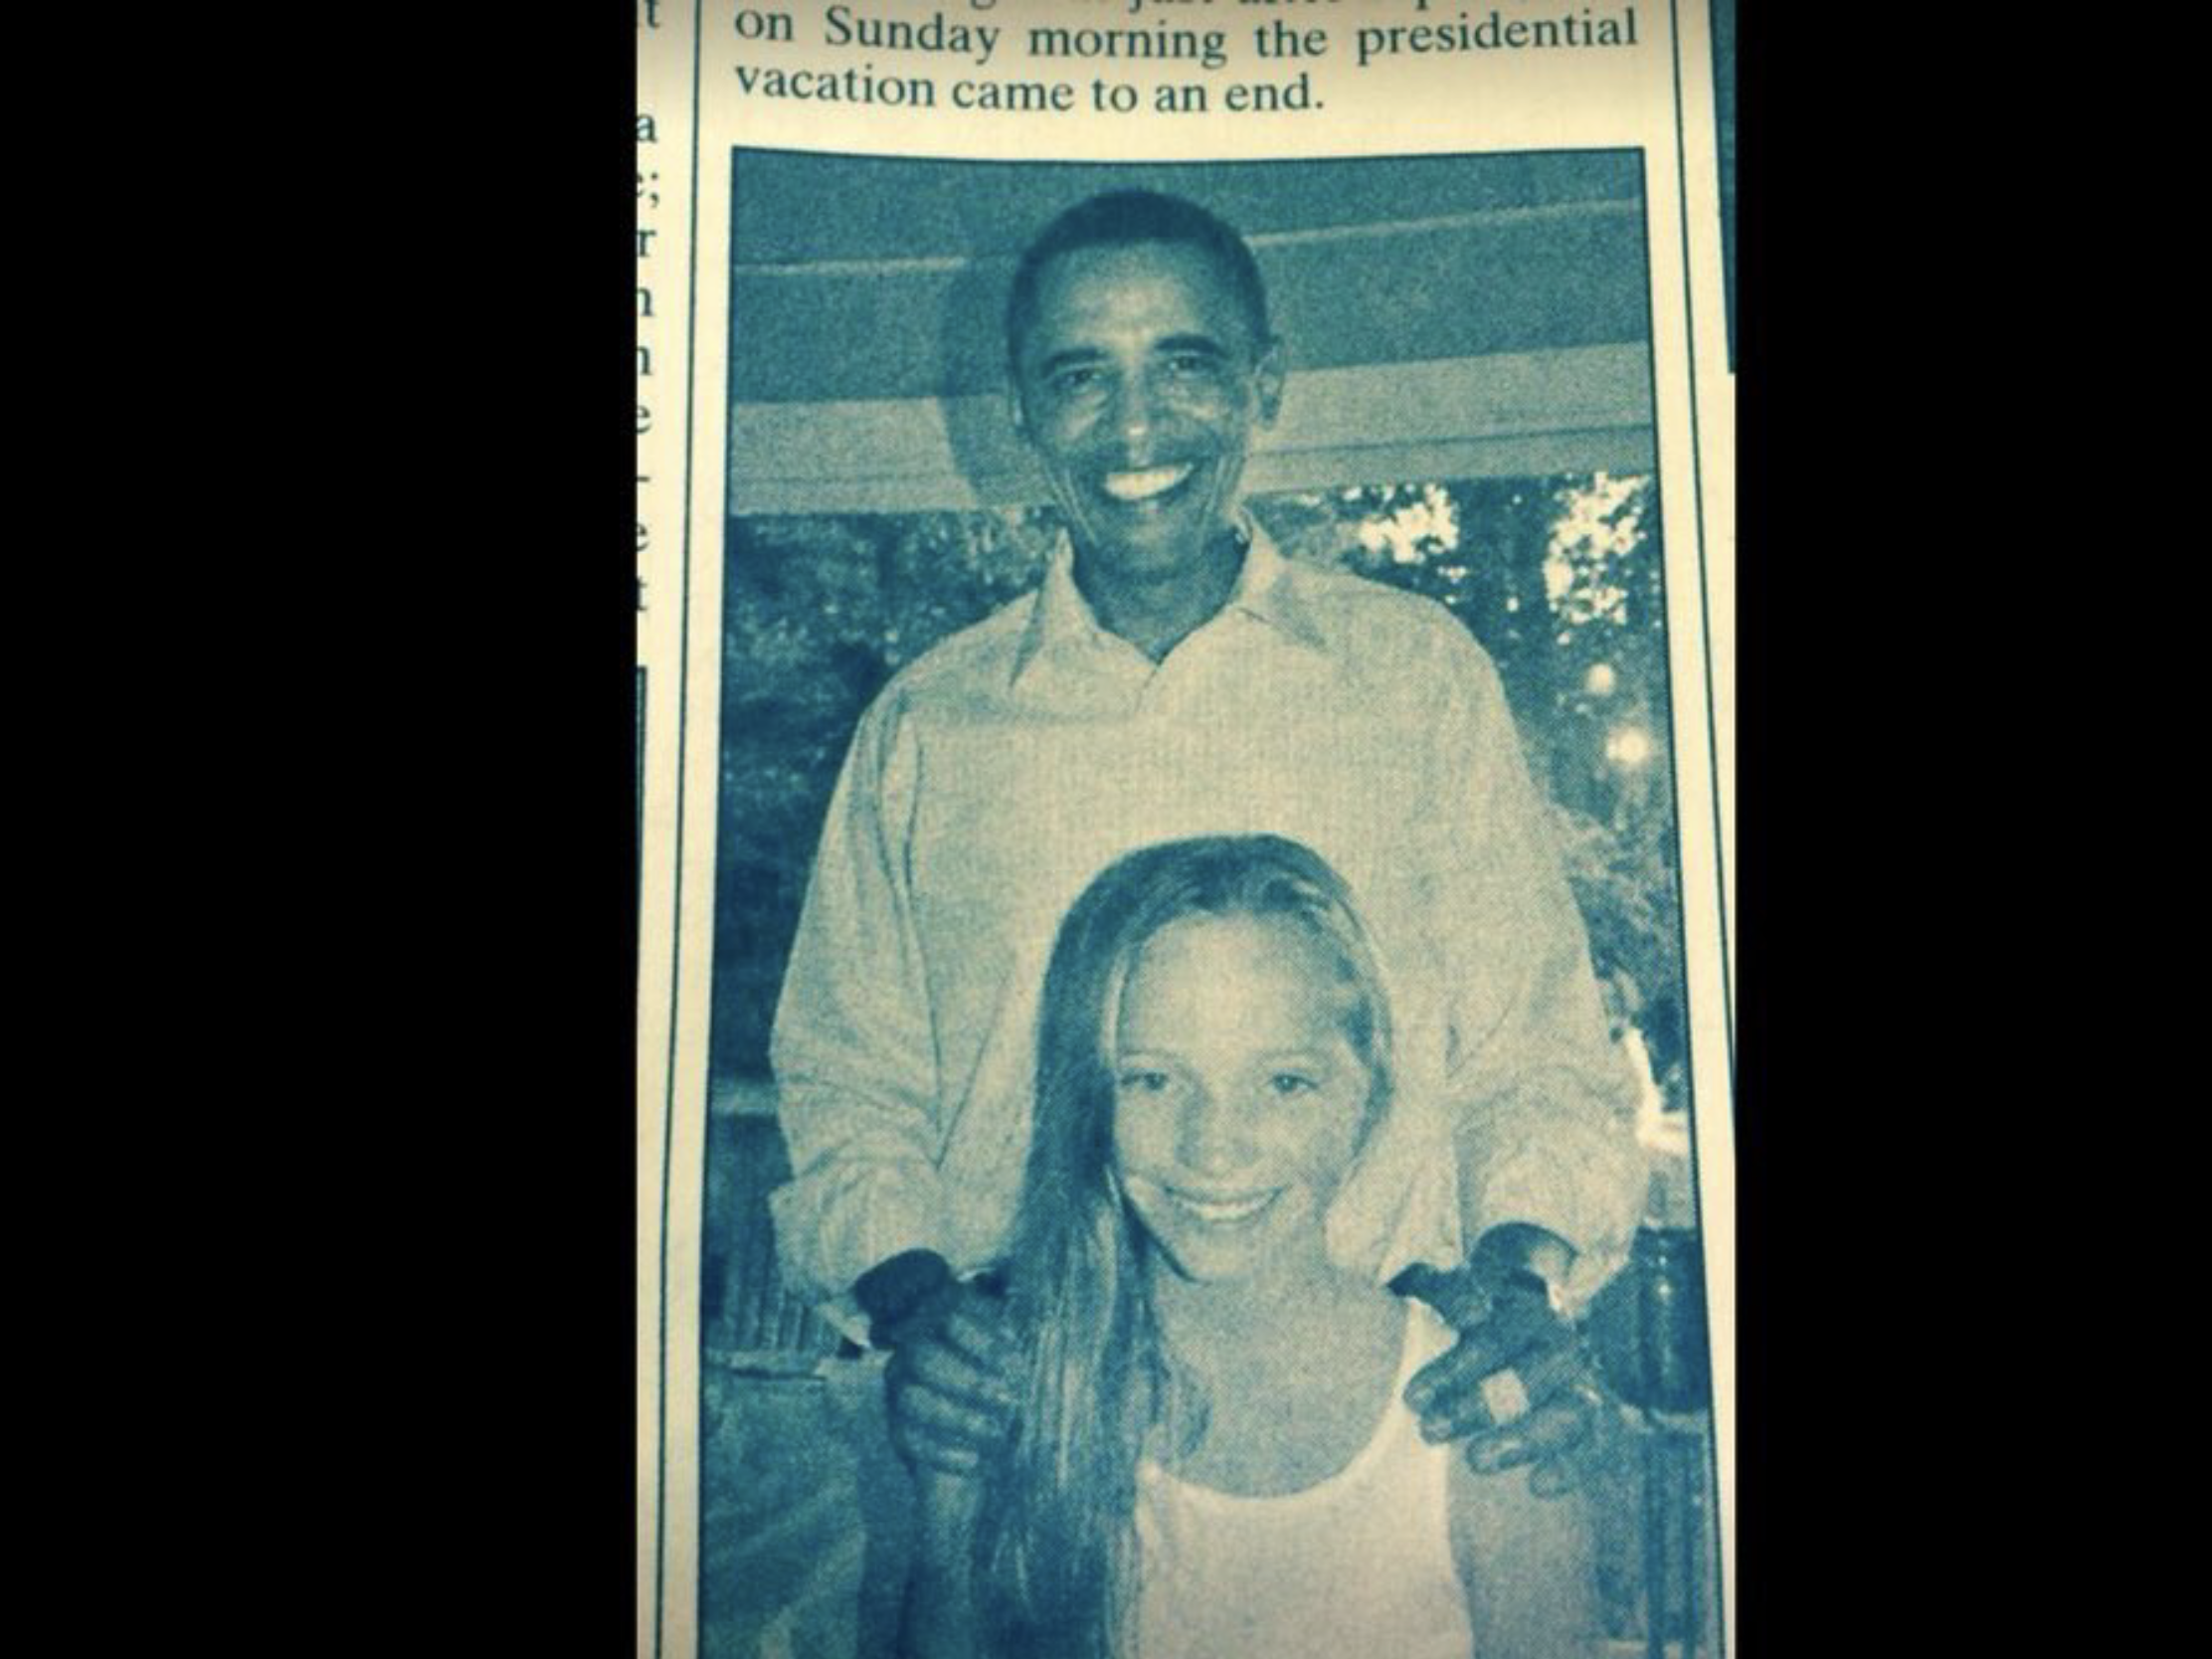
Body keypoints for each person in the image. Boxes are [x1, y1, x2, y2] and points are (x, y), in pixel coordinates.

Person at [769, 187, 1645, 1482]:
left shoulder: (1416, 677)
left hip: (1378, 1423)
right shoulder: (924, 726)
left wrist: (1521, 1289)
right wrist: (917, 1307)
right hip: (1019, 1427)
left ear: (1262, 387)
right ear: (1022, 411)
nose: (1134, 427)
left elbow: (1533, 1047)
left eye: (1184, 364)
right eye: (1080, 376)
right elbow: (848, 1086)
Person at [899, 836, 1600, 1659]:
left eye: (1284, 1082)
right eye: (1153, 1079)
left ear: (1366, 1093)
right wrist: (950, 1515)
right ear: (1090, 1096)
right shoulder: (1012, 1402)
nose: (1215, 1148)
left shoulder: (1485, 1425)